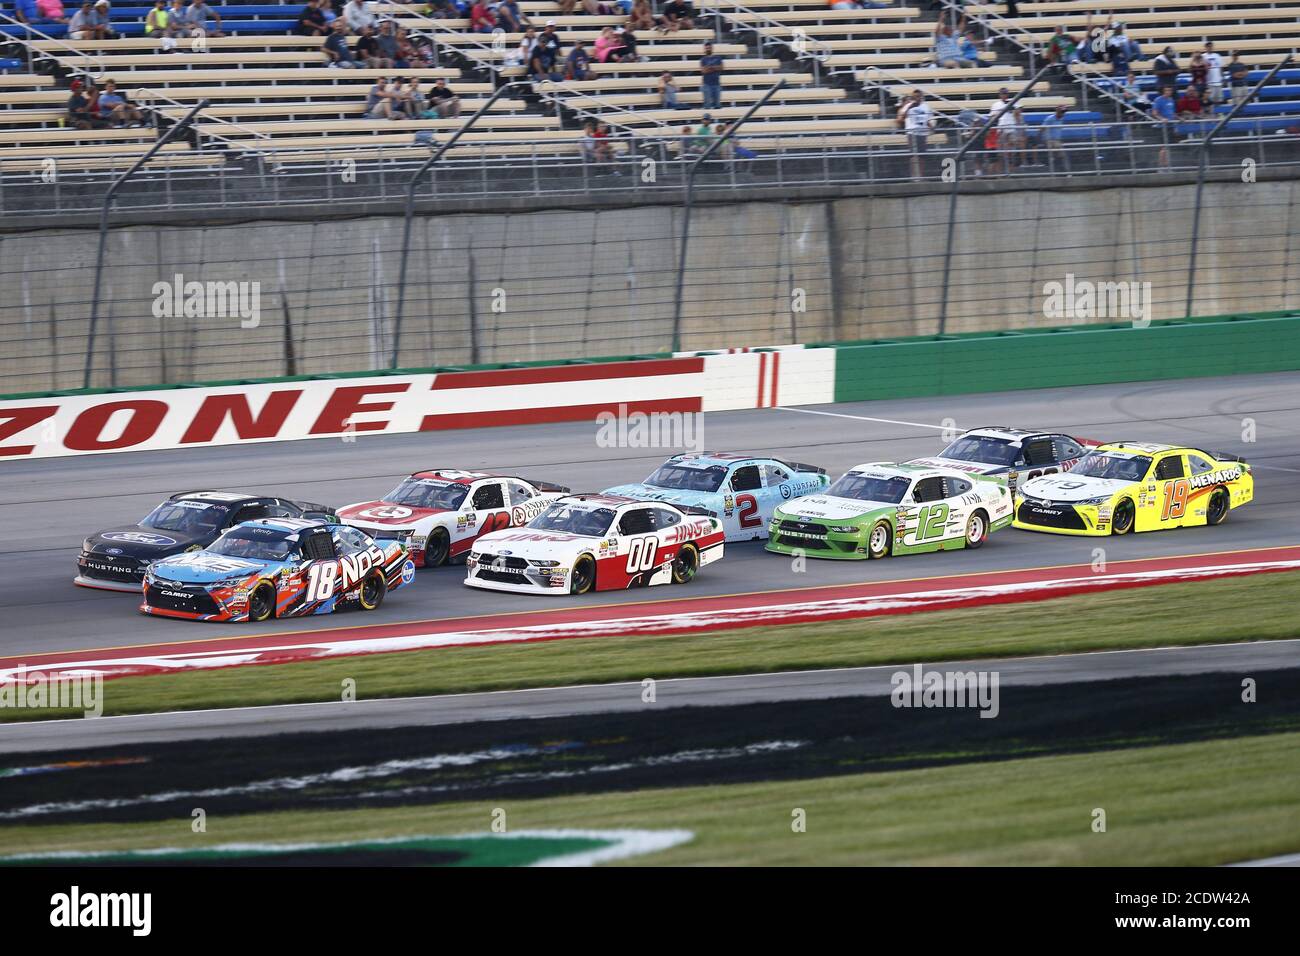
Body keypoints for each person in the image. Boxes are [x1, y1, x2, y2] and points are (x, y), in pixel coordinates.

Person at [896, 88, 932, 180]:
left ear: (922, 97)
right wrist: (909, 108)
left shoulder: (926, 107)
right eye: (915, 97)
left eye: (919, 96)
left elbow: (927, 120)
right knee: (913, 155)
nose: (917, 98)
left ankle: (921, 176)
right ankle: (914, 176)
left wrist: (931, 128)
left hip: (923, 133)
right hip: (912, 133)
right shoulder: (908, 106)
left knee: (922, 156)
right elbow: (900, 119)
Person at [1039, 104, 1069, 172]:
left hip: (1057, 140)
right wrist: (1040, 140)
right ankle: (1052, 170)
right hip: (1049, 140)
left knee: (1062, 155)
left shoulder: (1061, 118)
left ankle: (1066, 171)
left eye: (1064, 112)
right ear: (1057, 111)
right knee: (1053, 152)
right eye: (1062, 111)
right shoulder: (1050, 118)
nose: (1063, 113)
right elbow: (1041, 128)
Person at [699, 41, 723, 111]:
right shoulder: (703, 59)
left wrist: (709, 67)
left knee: (717, 105)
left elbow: (721, 68)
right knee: (707, 105)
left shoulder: (718, 58)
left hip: (716, 83)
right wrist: (715, 68)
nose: (708, 49)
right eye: (707, 48)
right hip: (707, 84)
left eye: (709, 48)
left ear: (712, 48)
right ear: (705, 49)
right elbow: (704, 71)